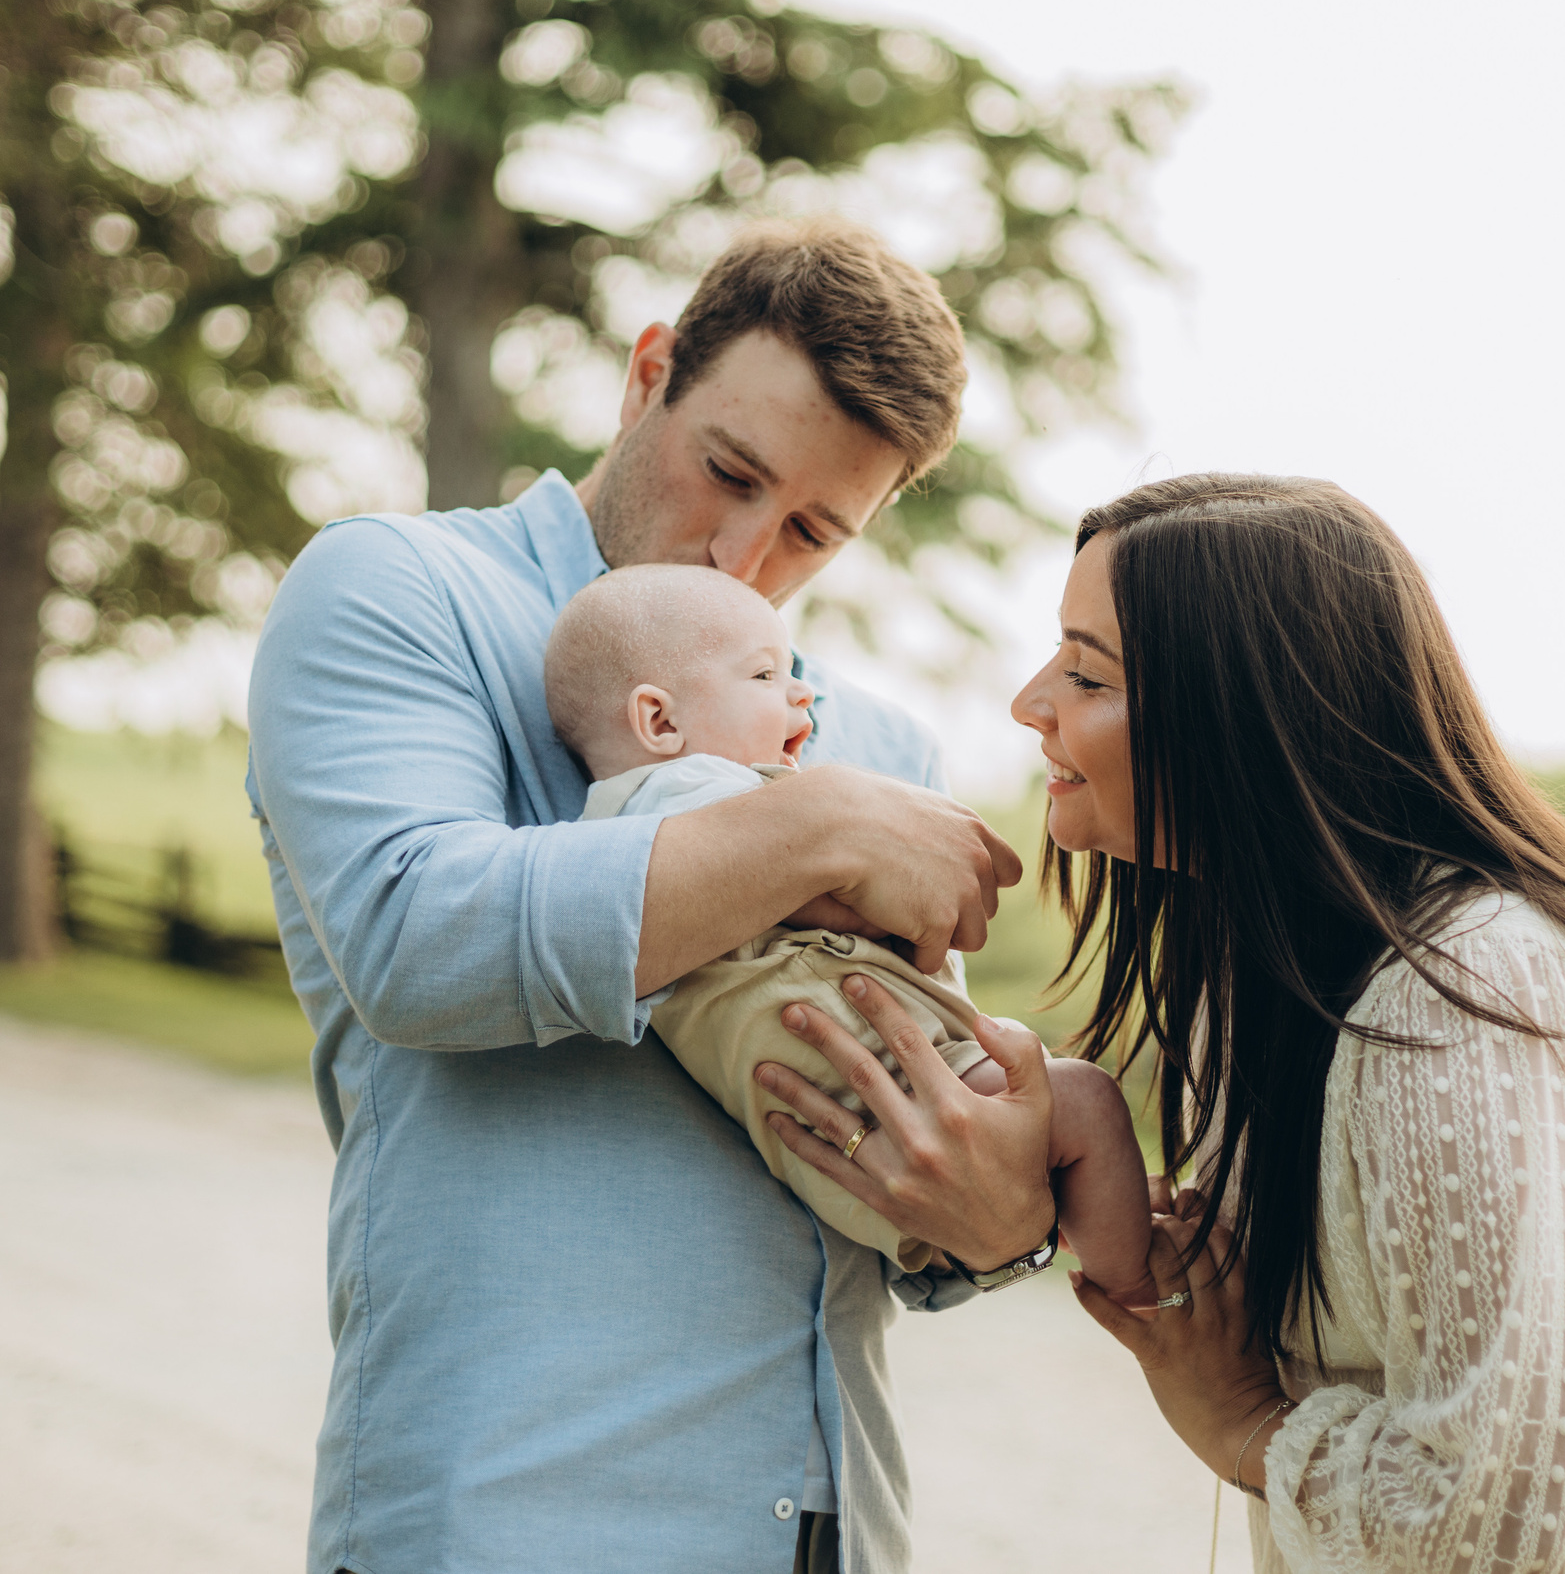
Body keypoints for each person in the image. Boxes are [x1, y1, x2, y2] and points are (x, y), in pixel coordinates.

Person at [245, 219, 1062, 1574]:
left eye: (812, 528)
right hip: (510, 1513)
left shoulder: (873, 746)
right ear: (648, 375)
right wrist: (813, 826)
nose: (744, 555)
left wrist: (993, 1224)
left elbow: (916, 1136)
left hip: (830, 1524)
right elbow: (412, 936)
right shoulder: (399, 589)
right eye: (728, 471)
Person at [1014, 473, 1565, 1571]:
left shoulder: (1467, 1002)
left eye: (1087, 674)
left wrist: (1248, 1422)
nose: (1029, 703)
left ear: (1245, 714)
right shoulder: (1261, 975)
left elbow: (1503, 1533)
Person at [541, 561, 1155, 1302]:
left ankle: (1131, 1234)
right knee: (1086, 1100)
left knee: (1066, 1134)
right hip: (898, 1097)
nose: (803, 691)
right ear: (659, 721)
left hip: (844, 1134)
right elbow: (836, 894)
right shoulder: (697, 799)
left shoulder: (600, 842)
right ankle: (1146, 1292)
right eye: (765, 675)